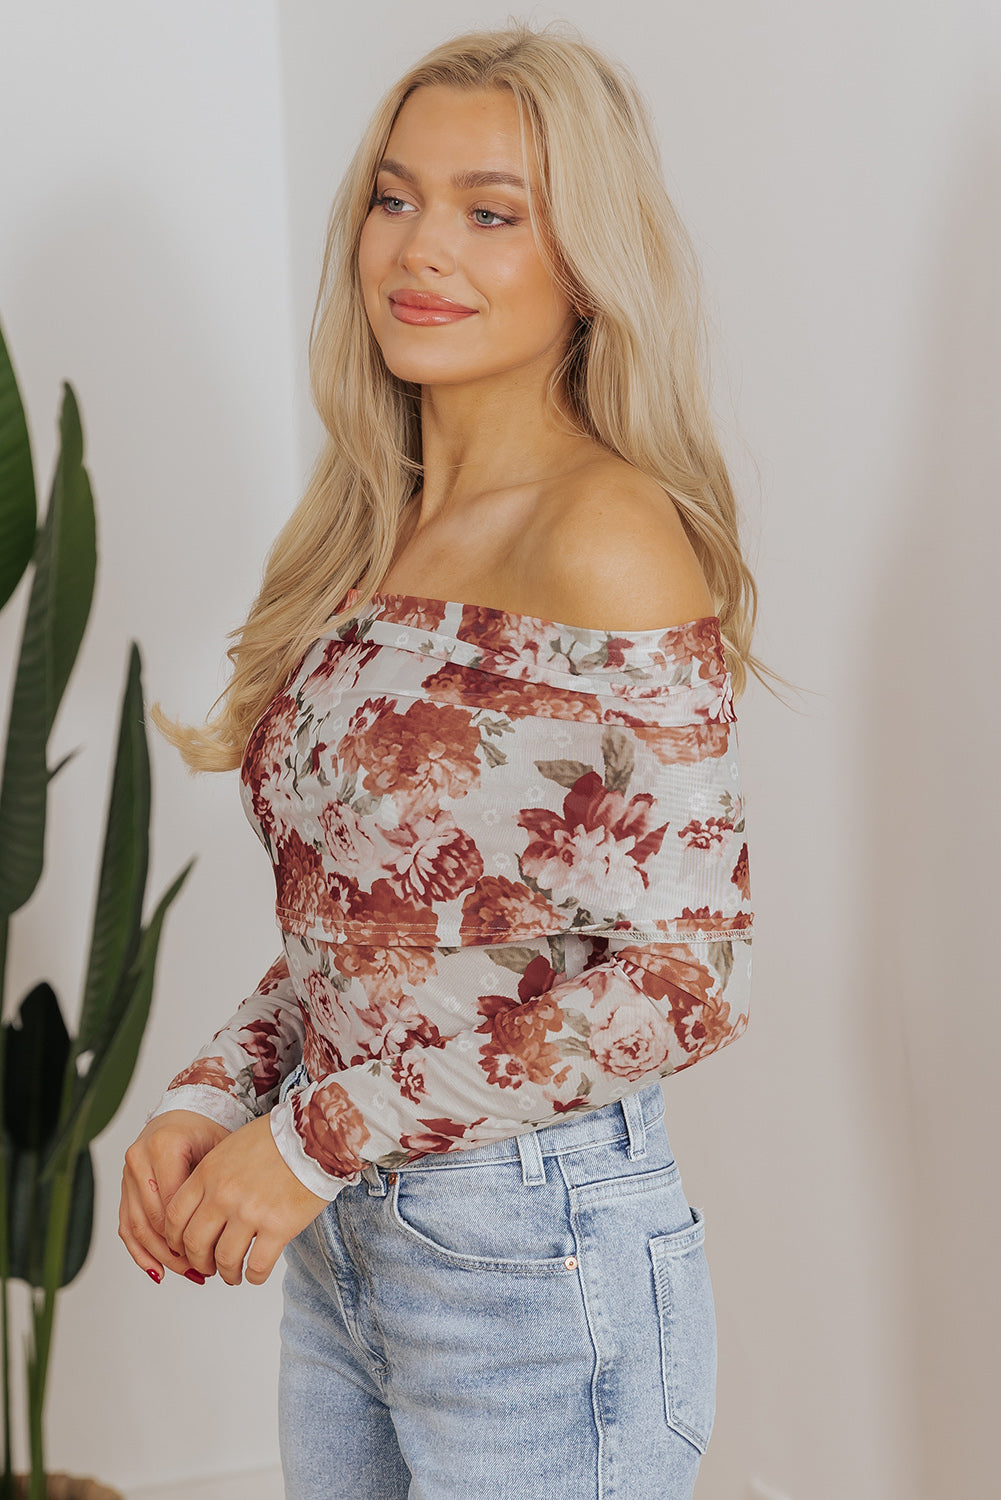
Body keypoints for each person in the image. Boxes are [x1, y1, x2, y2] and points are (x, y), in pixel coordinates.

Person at [120, 20, 783, 1500]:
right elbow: (382, 937)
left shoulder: (605, 533)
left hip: (531, 1251)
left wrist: (310, 1137)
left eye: (492, 213)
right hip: (355, 1244)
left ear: (588, 265)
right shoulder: (372, 533)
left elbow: (691, 979)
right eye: (394, 196)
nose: (421, 249)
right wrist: (210, 1097)